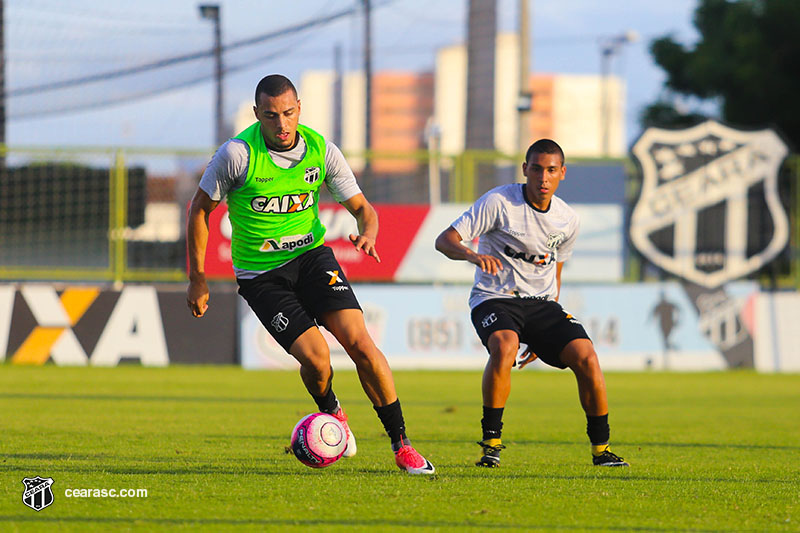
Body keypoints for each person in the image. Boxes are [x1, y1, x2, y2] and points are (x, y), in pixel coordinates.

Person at [186, 74, 434, 475]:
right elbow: (200, 209)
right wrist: (198, 277)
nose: (281, 125)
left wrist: (368, 231)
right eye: (270, 116)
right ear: (257, 115)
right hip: (261, 275)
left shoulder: (322, 151)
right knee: (317, 361)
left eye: (288, 113)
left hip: (312, 258)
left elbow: (362, 208)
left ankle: (403, 445)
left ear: (299, 108)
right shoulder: (236, 155)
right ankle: (333, 412)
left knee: (361, 344)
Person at [434, 139, 628, 468]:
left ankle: (601, 450)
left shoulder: (568, 220)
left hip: (541, 305)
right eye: (536, 168)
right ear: (525, 169)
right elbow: (445, 240)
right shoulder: (499, 202)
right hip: (494, 298)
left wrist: (544, 328)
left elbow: (557, 267)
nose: (543, 177)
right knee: (505, 344)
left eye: (551, 170)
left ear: (562, 173)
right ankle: (491, 445)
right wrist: (473, 255)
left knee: (587, 357)